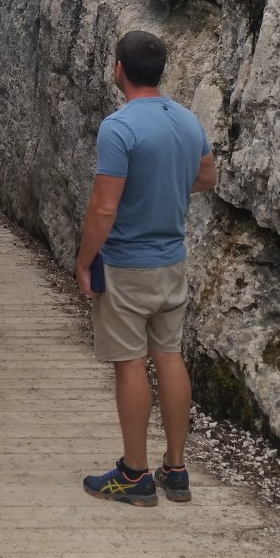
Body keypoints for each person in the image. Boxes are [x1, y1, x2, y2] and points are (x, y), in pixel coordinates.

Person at [75, 30, 216, 507]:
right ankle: (176, 471)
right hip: (172, 260)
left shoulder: (119, 127)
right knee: (169, 356)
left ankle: (135, 474)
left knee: (131, 363)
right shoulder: (188, 121)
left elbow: (102, 209)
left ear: (119, 68)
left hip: (127, 266)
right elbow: (207, 178)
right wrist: (168, 193)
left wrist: (84, 260)